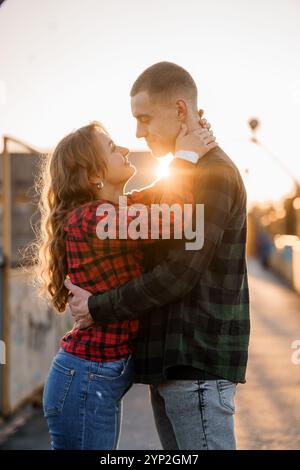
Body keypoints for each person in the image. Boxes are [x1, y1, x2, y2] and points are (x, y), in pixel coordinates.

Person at [66, 61, 250, 450]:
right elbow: (132, 210)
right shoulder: (187, 173)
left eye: (144, 118)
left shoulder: (212, 175)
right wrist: (183, 156)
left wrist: (98, 307)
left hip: (195, 364)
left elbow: (181, 272)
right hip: (173, 367)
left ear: (180, 110)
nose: (137, 132)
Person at [36, 117, 215, 449]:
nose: (123, 148)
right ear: (93, 175)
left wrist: (191, 142)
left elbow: (156, 195)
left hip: (92, 383)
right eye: (111, 147)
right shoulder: (95, 220)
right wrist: (186, 158)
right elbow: (175, 218)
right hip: (85, 382)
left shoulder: (113, 211)